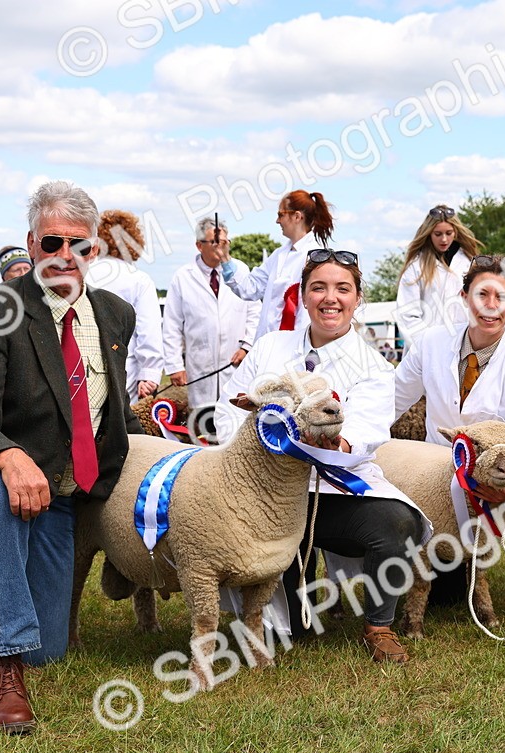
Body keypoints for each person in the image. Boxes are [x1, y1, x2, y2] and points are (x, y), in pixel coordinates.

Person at [0, 181, 143, 734]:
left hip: (57, 494)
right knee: (0, 496)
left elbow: (110, 410)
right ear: (32, 244)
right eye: (53, 242)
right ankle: (3, 672)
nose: (66, 256)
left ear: (96, 251)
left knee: (51, 650)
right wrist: (7, 456)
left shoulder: (115, 315)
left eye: (80, 245)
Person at [214, 248, 425, 664]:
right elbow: (228, 408)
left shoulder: (375, 366)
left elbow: (365, 430)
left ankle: (379, 625)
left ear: (357, 298)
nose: (331, 298)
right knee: (288, 631)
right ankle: (283, 598)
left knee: (395, 522)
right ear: (303, 295)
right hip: (268, 493)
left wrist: (339, 445)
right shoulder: (269, 347)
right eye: (319, 288)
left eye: (342, 288)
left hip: (330, 490)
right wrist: (241, 461)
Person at [395, 254, 505, 629]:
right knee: (447, 595)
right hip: (436, 476)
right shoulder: (431, 343)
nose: (491, 306)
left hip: (497, 477)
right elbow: (392, 399)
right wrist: (352, 439)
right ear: (464, 296)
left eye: (501, 297)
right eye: (482, 294)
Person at [162, 216, 259, 423]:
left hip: (234, 362)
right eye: (215, 242)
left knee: (234, 420)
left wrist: (247, 346)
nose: (221, 247)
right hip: (200, 366)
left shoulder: (240, 270)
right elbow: (171, 324)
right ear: (199, 245)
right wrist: (174, 365)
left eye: (224, 242)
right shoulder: (183, 276)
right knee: (202, 425)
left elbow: (254, 312)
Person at [223, 190, 334, 341]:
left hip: (296, 348)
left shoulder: (317, 258)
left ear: (297, 216)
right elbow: (249, 288)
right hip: (267, 346)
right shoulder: (278, 255)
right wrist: (224, 258)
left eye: (281, 214)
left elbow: (309, 315)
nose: (277, 221)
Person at [85, 210, 164, 401]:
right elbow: (148, 330)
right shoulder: (139, 280)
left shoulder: (84, 273)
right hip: (125, 370)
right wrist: (149, 374)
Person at [393, 204, 482, 346]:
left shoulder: (469, 263)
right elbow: (407, 314)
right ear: (429, 233)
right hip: (427, 349)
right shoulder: (416, 267)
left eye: (449, 233)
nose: (444, 239)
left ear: (456, 232)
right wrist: (428, 346)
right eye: (438, 234)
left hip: (464, 345)